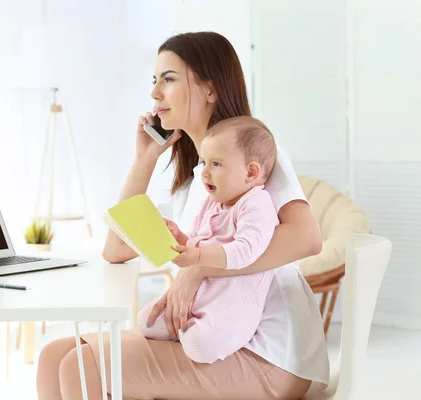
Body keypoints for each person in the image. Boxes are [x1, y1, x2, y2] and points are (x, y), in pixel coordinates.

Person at [36, 31, 329, 400]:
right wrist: (144, 159)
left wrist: (200, 267)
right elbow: (115, 249)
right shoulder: (197, 184)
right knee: (53, 356)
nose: (155, 93)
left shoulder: (255, 158)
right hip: (208, 339)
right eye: (154, 81)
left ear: (209, 88)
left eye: (168, 79)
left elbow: (307, 238)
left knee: (81, 366)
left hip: (267, 354)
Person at [138, 116, 280, 365]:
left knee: (201, 346)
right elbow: (198, 239)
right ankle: (186, 327)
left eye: (215, 164)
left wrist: (199, 258)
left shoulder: (256, 204)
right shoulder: (212, 203)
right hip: (199, 295)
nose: (204, 172)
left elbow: (246, 250)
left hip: (230, 305)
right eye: (204, 162)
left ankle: (190, 333)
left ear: (251, 172)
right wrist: (180, 237)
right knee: (145, 321)